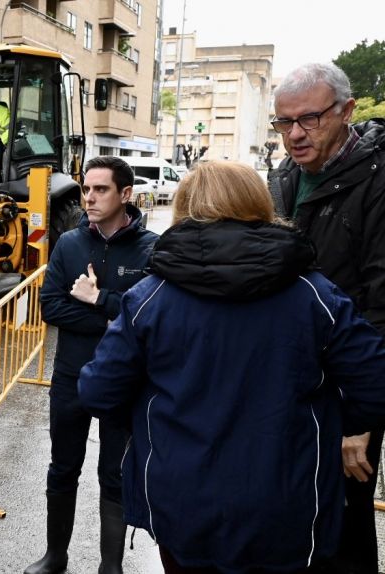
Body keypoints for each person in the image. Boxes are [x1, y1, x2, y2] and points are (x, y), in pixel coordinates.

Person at [80, 161, 385, 573]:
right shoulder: (313, 293)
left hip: (181, 496)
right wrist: (334, 423)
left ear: (185, 208)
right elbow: (373, 381)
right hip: (284, 497)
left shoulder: (151, 296)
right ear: (259, 204)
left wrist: (152, 417)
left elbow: (98, 391)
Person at [269, 62, 385, 574]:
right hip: (294, 383)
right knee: (295, 517)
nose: (295, 134)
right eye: (284, 122)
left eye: (309, 119)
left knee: (345, 528)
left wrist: (361, 420)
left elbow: (382, 307)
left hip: (348, 391)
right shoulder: (286, 177)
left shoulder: (377, 180)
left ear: (347, 111)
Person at [29, 156, 157, 574]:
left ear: (125, 194)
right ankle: (55, 556)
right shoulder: (69, 244)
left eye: (100, 189)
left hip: (124, 381)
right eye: (86, 189)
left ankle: (110, 567)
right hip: (72, 376)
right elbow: (51, 307)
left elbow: (148, 317)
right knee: (62, 467)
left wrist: (97, 298)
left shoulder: (150, 249)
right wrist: (111, 318)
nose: (89, 197)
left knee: (114, 475)